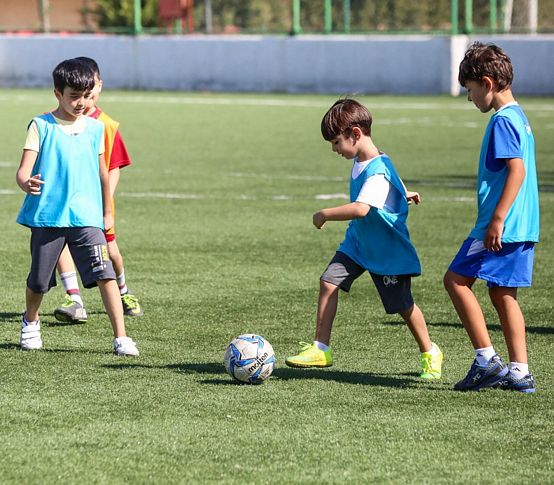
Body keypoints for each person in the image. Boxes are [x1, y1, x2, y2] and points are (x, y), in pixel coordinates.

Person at [285, 98, 443, 380]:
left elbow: (361, 208)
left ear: (355, 134)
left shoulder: (377, 170)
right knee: (328, 282)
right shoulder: (367, 158)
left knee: (403, 307)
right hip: (358, 244)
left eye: (336, 142)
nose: (334, 149)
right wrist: (404, 192)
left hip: (385, 250)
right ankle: (321, 348)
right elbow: (391, 175)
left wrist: (324, 214)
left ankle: (430, 351)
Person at [15, 58, 139, 356]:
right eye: (73, 96)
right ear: (58, 93)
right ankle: (31, 322)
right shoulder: (40, 125)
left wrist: (106, 211)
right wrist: (25, 182)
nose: (81, 102)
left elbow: (102, 174)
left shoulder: (96, 129)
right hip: (48, 217)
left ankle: (121, 338)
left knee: (104, 271)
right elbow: (23, 171)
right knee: (39, 280)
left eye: (85, 95)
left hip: (86, 217)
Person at [444, 42, 539, 393]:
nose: (469, 98)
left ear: (487, 82)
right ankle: (519, 372)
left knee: (455, 281)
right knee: (503, 295)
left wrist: (497, 219)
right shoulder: (520, 116)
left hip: (499, 228)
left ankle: (487, 361)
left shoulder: (502, 120)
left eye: (469, 90)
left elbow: (517, 171)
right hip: (524, 225)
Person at [53, 56, 143, 324]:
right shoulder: (58, 119)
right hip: (66, 199)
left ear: (98, 87)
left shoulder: (106, 125)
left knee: (110, 251)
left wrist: (106, 200)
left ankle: (123, 290)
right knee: (60, 244)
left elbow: (113, 167)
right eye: (79, 94)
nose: (85, 101)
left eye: (89, 94)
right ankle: (74, 298)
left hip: (97, 201)